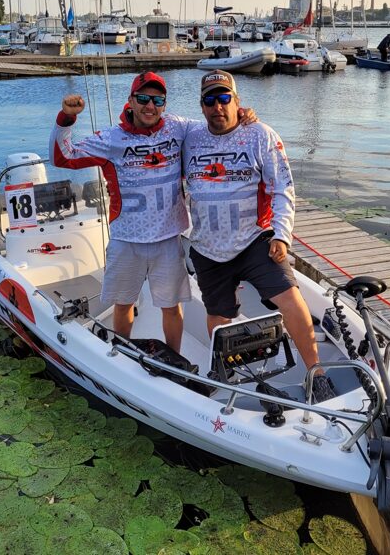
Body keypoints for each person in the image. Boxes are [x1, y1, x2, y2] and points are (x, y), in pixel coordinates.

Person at [49, 72, 255, 352]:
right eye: (143, 99)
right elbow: (63, 156)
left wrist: (240, 114)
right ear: (131, 101)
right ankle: (123, 354)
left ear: (164, 104)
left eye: (157, 100)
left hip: (167, 239)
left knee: (171, 307)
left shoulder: (178, 127)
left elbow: (216, 125)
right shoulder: (111, 138)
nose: (150, 106)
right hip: (126, 239)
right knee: (123, 305)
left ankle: (175, 358)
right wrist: (66, 118)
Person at [182, 70, 336, 403]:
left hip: (254, 238)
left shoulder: (260, 134)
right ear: (201, 105)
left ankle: (316, 372)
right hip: (208, 246)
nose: (218, 106)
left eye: (225, 98)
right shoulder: (189, 136)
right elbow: (151, 124)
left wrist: (282, 235)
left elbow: (283, 188)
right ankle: (225, 371)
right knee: (217, 314)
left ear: (237, 102)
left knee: (290, 298)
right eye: (210, 100)